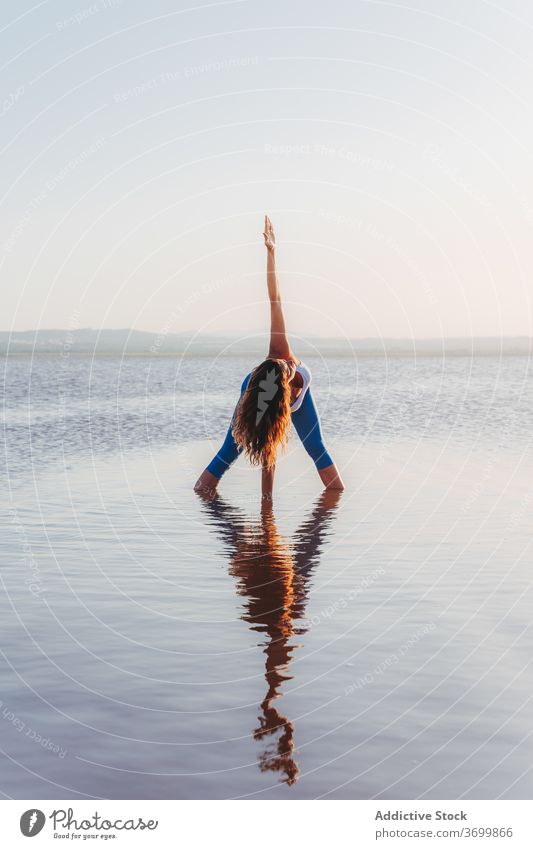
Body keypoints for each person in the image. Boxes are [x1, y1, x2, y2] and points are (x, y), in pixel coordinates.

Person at [194, 215, 345, 499]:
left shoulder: (280, 352)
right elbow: (269, 453)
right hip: (253, 397)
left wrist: (271, 252)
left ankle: (335, 500)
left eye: (287, 366)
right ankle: (202, 492)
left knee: (317, 448)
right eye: (287, 371)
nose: (290, 365)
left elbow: (274, 298)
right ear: (282, 393)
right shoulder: (268, 403)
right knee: (230, 449)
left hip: (266, 387)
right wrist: (267, 509)